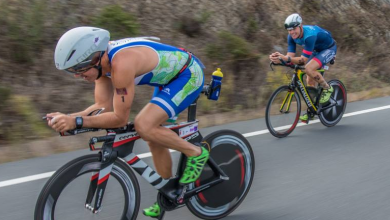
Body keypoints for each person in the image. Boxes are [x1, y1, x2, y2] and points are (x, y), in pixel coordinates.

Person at [47, 26, 209, 218]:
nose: (76, 75)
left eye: (79, 69)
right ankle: (170, 191)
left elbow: (119, 119)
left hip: (188, 74)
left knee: (144, 125)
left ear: (94, 58)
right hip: (167, 80)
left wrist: (77, 121)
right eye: (71, 71)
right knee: (153, 137)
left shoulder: (121, 64)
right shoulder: (102, 69)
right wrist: (69, 118)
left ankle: (197, 153)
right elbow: (102, 106)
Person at [269, 13, 337, 121]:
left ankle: (328, 88)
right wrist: (279, 60)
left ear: (300, 26)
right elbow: (289, 58)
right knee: (309, 80)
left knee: (308, 68)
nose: (291, 32)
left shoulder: (309, 35)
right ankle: (312, 110)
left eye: (294, 28)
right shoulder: (291, 37)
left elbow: (302, 60)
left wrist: (285, 59)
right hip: (315, 50)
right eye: (289, 30)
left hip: (328, 49)